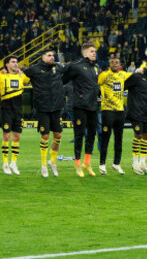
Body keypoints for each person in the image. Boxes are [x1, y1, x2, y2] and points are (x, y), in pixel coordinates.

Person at [23, 49, 66, 178]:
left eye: (53, 55)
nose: (52, 57)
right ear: (42, 57)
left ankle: (52, 162)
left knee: (58, 135)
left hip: (57, 107)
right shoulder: (34, 69)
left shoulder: (58, 68)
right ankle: (43, 165)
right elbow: (21, 76)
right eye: (49, 55)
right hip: (43, 108)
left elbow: (71, 71)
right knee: (45, 136)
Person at [62, 43, 101, 177]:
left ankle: (87, 163)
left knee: (91, 135)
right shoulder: (76, 66)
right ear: (85, 53)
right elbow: (63, 79)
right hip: (80, 106)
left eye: (95, 51)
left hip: (93, 106)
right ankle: (77, 164)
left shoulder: (96, 67)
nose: (94, 53)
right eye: (91, 51)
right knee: (79, 135)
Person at [0, 55, 29, 176]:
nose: (16, 64)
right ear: (6, 64)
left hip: (18, 110)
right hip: (6, 109)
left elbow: (30, 78)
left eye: (17, 62)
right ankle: (5, 162)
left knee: (17, 137)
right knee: (6, 136)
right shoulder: (1, 75)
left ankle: (14, 163)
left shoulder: (21, 75)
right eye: (13, 62)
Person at [98, 56, 131, 175]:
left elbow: (137, 74)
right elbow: (94, 84)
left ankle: (116, 164)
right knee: (105, 138)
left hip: (120, 111)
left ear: (120, 64)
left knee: (119, 139)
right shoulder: (104, 75)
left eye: (117, 62)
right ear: (109, 64)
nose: (115, 64)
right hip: (107, 111)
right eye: (112, 62)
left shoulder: (124, 75)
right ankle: (102, 164)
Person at [124, 59, 147, 176]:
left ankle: (143, 163)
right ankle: (135, 162)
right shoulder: (137, 77)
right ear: (145, 66)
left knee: (146, 137)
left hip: (146, 113)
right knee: (138, 135)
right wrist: (138, 71)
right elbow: (124, 85)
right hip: (135, 112)